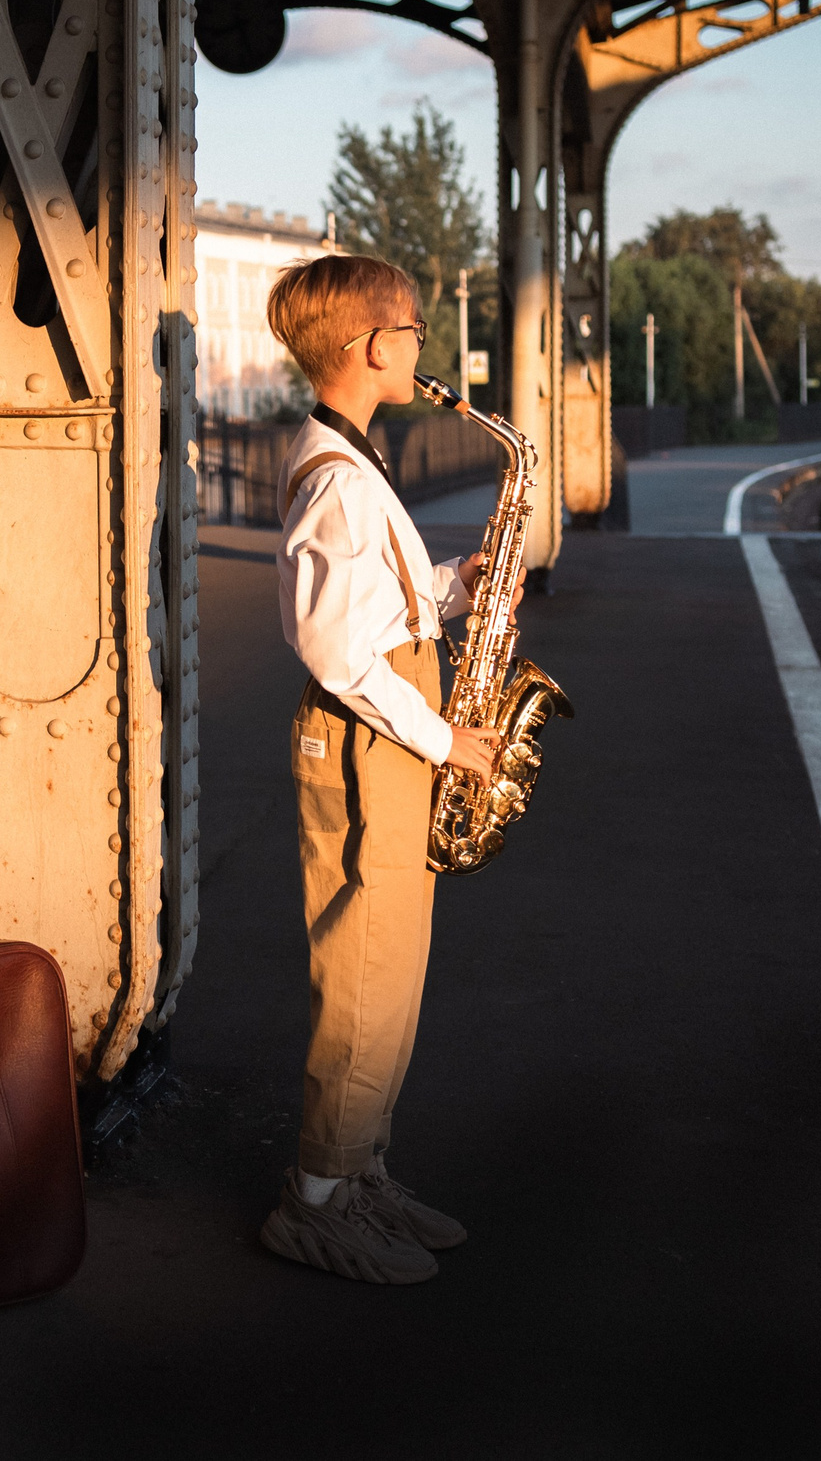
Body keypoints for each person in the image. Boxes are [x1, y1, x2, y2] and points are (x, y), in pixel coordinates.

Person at [258, 254, 516, 1284]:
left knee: (392, 977)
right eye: (413, 329)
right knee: (364, 981)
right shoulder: (332, 480)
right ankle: (314, 1199)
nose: (423, 349)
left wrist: (459, 585)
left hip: (384, 736)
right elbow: (333, 651)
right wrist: (444, 737)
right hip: (372, 743)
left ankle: (356, 1171)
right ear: (374, 345)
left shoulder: (349, 461)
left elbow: (371, 613)